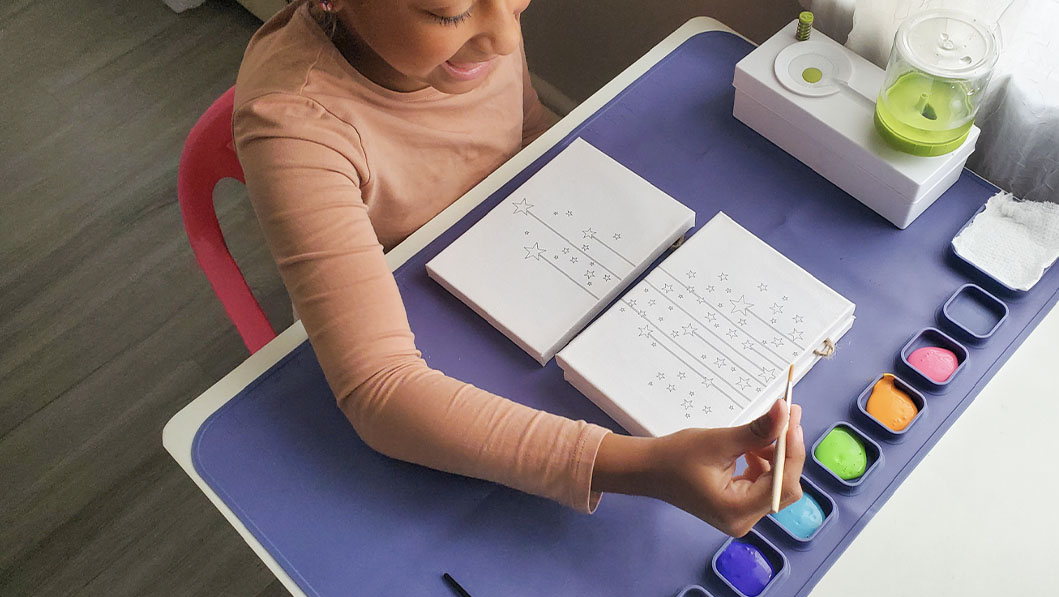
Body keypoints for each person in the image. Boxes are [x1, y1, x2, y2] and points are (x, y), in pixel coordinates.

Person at [232, 0, 806, 536]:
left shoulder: (482, 31)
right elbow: (381, 392)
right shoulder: (295, 126)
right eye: (448, 14)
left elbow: (525, 140)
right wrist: (640, 468)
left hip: (520, 277)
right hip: (410, 326)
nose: (505, 37)